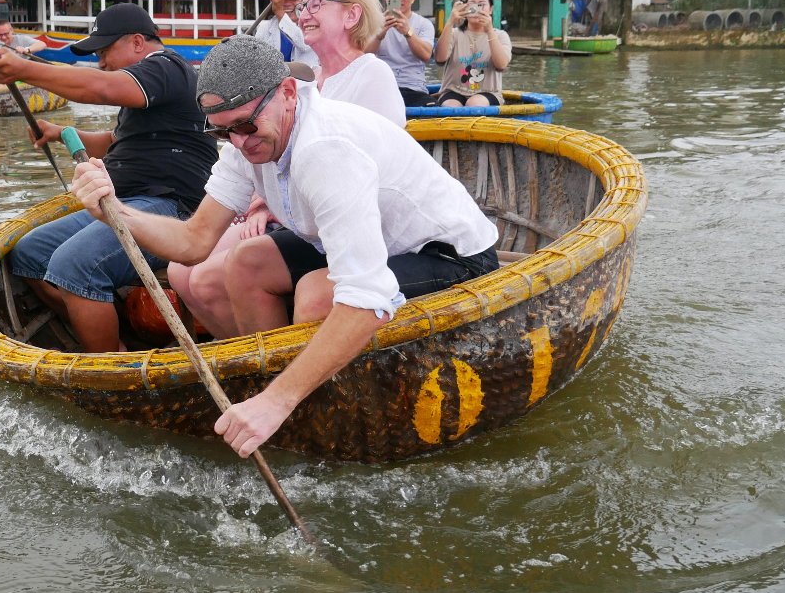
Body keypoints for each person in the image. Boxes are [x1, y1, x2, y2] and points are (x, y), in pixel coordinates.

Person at [70, 35, 500, 457]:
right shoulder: (246, 140)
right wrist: (117, 213)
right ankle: (285, 401)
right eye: (222, 133)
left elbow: (368, 299)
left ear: (288, 93)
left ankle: (304, 411)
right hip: (368, 241)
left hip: (449, 252)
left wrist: (276, 402)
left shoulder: (325, 152)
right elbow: (194, 241)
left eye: (244, 125)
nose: (239, 142)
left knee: (316, 295)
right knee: (246, 262)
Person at [166, 0, 404, 338]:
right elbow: (277, 154)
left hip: (345, 220)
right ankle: (247, 360)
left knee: (213, 275)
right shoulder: (307, 79)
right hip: (294, 214)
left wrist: (267, 205)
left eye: (315, 4)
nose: (303, 12)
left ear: (351, 16)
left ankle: (272, 367)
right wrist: (261, 200)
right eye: (302, 5)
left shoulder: (371, 74)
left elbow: (371, 172)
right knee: (181, 271)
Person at [0, 3, 218, 353]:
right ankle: (113, 341)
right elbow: (114, 143)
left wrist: (23, 68)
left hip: (169, 208)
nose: (101, 62)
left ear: (139, 42)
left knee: (72, 264)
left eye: (105, 51)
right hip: (123, 202)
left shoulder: (165, 68)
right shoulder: (147, 95)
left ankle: (109, 368)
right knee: (28, 254)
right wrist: (62, 132)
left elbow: (102, 88)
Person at [433, 0, 512, 108]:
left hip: (488, 93)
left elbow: (501, 65)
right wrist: (450, 22)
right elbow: (439, 58)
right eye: (472, 4)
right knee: (451, 106)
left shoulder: (500, 36)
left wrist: (489, 30)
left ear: (490, 9)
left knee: (475, 103)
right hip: (453, 91)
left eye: (481, 5)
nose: (476, 9)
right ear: (465, 7)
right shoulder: (454, 34)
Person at [365, 0, 437, 107]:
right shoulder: (374, 22)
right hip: (383, 88)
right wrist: (379, 35)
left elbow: (426, 55)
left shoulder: (424, 24)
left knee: (433, 111)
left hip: (413, 88)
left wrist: (408, 32)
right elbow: (363, 56)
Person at [251, 0, 318, 67]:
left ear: (302, 0)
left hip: (306, 80)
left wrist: (280, 13)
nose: (287, 3)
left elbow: (305, 44)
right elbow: (257, 60)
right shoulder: (264, 28)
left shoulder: (312, 23)